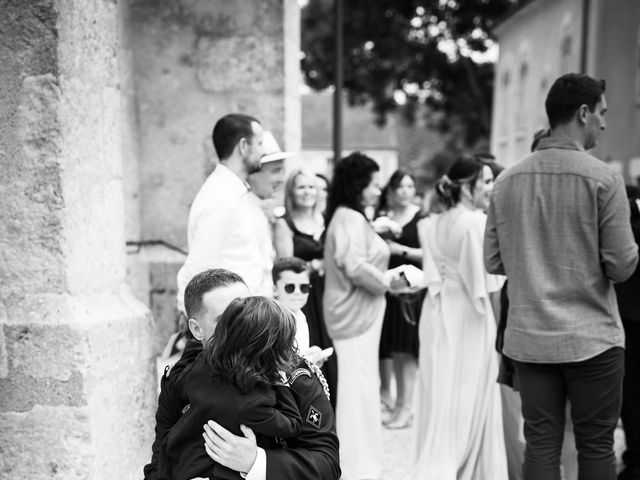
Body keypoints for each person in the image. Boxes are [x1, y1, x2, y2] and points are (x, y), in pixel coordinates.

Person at [484, 73, 638, 480]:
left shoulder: (505, 181)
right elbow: (621, 266)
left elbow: (493, 260)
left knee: (541, 444)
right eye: (602, 113)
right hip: (593, 338)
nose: (604, 123)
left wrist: (533, 258)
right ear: (583, 112)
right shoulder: (605, 179)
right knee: (596, 446)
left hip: (530, 338)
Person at [143, 268, 340, 480]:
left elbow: (327, 464)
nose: (244, 324)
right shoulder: (182, 375)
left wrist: (256, 462)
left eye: (248, 309)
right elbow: (159, 461)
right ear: (197, 329)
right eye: (227, 319)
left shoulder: (291, 371)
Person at [412, 157, 507, 479]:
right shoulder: (476, 223)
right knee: (471, 390)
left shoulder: (433, 222)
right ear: (468, 186)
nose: (492, 188)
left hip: (438, 311)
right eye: (488, 181)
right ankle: (467, 465)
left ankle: (450, 460)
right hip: (470, 314)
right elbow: (489, 286)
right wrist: (501, 333)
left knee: (443, 391)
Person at [323, 152, 405, 480]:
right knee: (358, 395)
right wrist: (389, 282)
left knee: (363, 391)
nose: (378, 190)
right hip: (353, 319)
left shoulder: (351, 218)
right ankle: (358, 469)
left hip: (360, 318)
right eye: (373, 184)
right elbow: (354, 265)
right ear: (358, 185)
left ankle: (363, 465)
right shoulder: (349, 219)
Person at [157, 296, 303, 480]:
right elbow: (292, 425)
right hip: (205, 472)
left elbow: (178, 383)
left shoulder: (203, 363)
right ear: (270, 350)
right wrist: (280, 380)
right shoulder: (253, 404)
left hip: (175, 461)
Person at [176, 113, 267, 312]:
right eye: (259, 143)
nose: (263, 151)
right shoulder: (220, 196)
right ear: (243, 146)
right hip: (230, 318)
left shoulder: (235, 192)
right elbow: (199, 265)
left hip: (245, 315)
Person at [273, 169, 337, 407]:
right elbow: (285, 266)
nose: (308, 192)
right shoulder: (285, 224)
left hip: (329, 296)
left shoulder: (327, 221)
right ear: (291, 191)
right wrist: (316, 264)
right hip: (301, 297)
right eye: (301, 187)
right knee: (305, 351)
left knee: (330, 355)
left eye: (312, 187)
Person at [376, 169, 424, 429]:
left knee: (407, 352)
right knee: (394, 351)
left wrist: (400, 249)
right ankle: (396, 404)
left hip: (412, 294)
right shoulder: (384, 219)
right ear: (392, 190)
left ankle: (407, 407)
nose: (405, 191)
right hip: (389, 291)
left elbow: (430, 253)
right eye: (400, 186)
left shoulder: (421, 218)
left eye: (409, 185)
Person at [615, 186, 640, 480]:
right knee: (631, 394)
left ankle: (634, 460)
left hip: (631, 317)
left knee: (632, 394)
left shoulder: (628, 216)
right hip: (631, 318)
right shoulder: (630, 214)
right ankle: (634, 458)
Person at [272, 256, 333, 366]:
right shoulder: (274, 320)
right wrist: (307, 361)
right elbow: (278, 364)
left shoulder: (300, 315)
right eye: (290, 287)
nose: (297, 292)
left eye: (304, 287)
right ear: (275, 289)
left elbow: (297, 355)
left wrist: (310, 355)